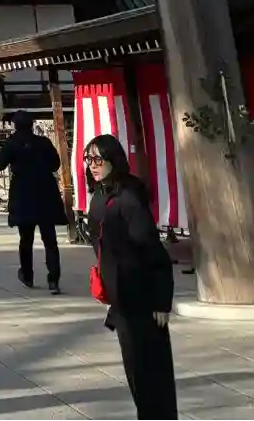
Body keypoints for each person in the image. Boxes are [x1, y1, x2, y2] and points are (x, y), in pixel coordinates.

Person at [84, 136, 177, 421]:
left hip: (143, 298)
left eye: (98, 159)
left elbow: (153, 251)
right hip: (121, 297)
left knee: (151, 374)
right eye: (88, 159)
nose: (92, 165)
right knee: (136, 370)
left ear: (114, 160)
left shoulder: (128, 199)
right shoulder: (100, 194)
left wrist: (161, 301)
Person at [0, 111, 66, 294]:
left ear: (15, 126)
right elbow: (55, 164)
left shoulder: (12, 143)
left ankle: (27, 275)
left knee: (26, 239)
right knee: (50, 239)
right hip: (45, 193)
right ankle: (54, 280)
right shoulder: (43, 142)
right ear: (32, 125)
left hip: (23, 194)